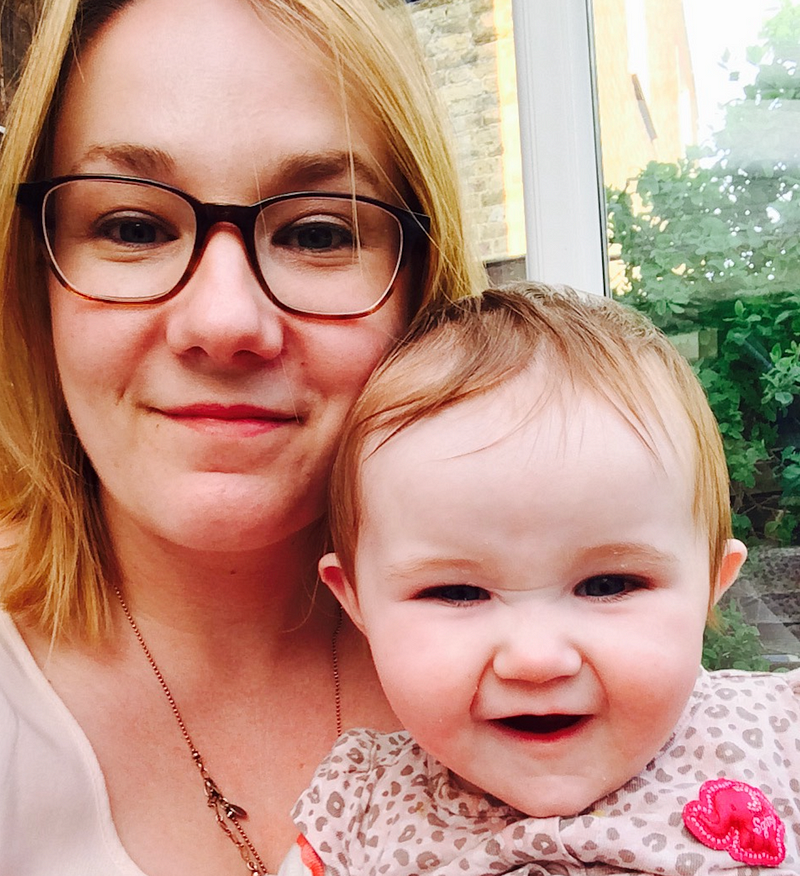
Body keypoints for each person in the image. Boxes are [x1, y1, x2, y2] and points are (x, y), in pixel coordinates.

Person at [0, 1, 485, 874]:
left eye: (316, 233)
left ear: (422, 286)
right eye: (133, 227)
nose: (224, 321)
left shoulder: (568, 662)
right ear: (35, 280)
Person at [296, 284, 800, 876]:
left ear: (714, 582)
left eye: (608, 584)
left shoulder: (777, 733)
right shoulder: (358, 809)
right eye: (457, 591)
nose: (536, 659)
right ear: (357, 602)